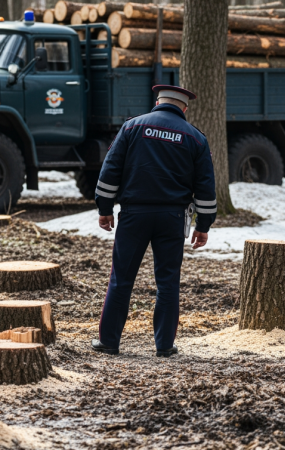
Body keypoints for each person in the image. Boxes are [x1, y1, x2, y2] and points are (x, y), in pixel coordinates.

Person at [91, 85, 217, 357]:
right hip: (172, 218)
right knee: (168, 282)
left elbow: (111, 168)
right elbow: (206, 185)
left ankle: (109, 342)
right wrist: (203, 225)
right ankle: (164, 346)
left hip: (134, 215)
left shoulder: (132, 127)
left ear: (157, 102)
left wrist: (104, 208)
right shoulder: (196, 138)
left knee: (121, 280)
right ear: (184, 108)